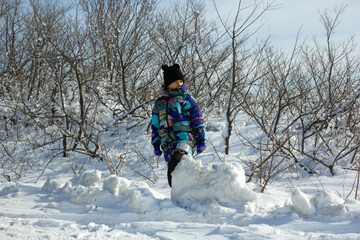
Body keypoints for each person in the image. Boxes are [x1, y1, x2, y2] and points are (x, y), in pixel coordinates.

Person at [151, 64, 207, 187]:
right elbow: (155, 125)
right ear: (168, 84)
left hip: (186, 138)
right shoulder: (160, 103)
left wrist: (202, 139)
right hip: (167, 142)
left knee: (178, 158)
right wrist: (156, 143)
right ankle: (180, 194)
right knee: (174, 170)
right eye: (176, 82)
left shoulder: (187, 100)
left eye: (181, 81)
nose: (179, 84)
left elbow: (198, 120)